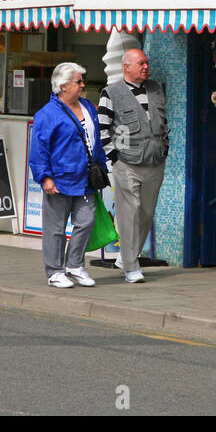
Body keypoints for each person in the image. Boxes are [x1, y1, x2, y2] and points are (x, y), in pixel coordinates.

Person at [28, 62, 108, 289]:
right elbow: (39, 149)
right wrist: (45, 177)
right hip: (60, 179)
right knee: (55, 228)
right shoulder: (47, 114)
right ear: (63, 86)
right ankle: (54, 271)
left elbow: (96, 140)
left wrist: (101, 167)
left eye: (82, 81)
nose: (83, 85)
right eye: (78, 81)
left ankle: (74, 265)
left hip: (86, 178)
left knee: (86, 221)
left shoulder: (88, 107)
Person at [98, 48, 168, 284]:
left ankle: (125, 256)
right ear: (126, 66)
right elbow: (102, 127)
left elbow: (163, 122)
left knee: (146, 214)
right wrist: (114, 156)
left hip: (155, 162)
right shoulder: (111, 92)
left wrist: (164, 148)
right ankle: (131, 267)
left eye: (147, 63)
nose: (146, 67)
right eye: (141, 63)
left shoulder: (156, 89)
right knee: (129, 214)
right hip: (126, 162)